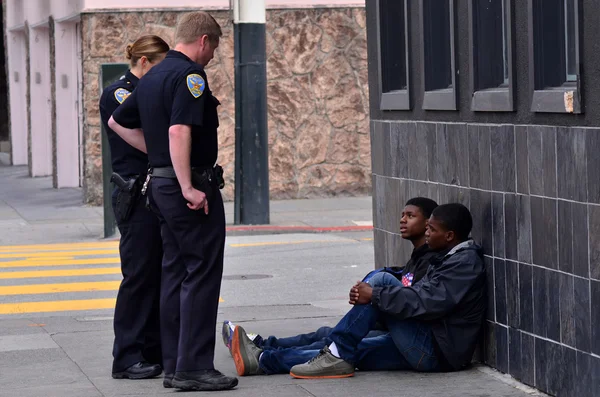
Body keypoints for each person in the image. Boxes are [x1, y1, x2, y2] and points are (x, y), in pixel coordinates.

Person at [108, 11, 237, 392]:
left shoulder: (151, 78)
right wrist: (187, 186)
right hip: (186, 188)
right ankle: (194, 367)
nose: (212, 55)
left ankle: (173, 364)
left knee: (174, 273)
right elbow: (180, 130)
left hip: (160, 187)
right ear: (204, 41)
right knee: (200, 272)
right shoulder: (189, 76)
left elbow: (118, 122)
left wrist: (159, 159)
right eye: (213, 47)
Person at [230, 203, 486, 378]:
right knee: (356, 349)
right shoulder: (449, 256)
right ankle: (263, 359)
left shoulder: (463, 263)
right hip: (425, 343)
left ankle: (336, 351)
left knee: (381, 284)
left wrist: (373, 295)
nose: (428, 234)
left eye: (432, 229)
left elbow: (427, 301)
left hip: (435, 352)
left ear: (450, 235)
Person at [221, 197, 441, 355]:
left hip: (411, 337)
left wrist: (372, 297)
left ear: (428, 224)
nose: (403, 220)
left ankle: (262, 356)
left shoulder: (431, 260)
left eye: (410, 216)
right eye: (402, 215)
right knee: (328, 332)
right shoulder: (417, 256)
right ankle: (261, 344)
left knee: (337, 340)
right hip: (395, 326)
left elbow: (414, 304)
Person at [99, 35, 169, 380]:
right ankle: (126, 357)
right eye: (159, 65)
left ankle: (152, 351)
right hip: (134, 194)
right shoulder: (120, 93)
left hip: (152, 191)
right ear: (144, 62)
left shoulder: (144, 90)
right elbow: (142, 134)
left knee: (156, 274)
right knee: (138, 276)